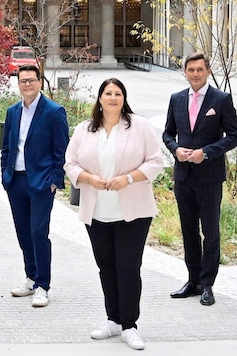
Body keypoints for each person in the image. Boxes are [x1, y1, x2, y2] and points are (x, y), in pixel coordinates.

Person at [64, 78, 163, 350]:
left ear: (123, 98)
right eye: (107, 93)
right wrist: (87, 178)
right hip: (97, 212)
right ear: (99, 98)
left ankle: (130, 325)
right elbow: (69, 163)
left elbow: (156, 161)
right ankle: (113, 319)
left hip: (133, 212)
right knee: (106, 267)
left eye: (117, 93)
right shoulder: (85, 129)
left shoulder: (139, 125)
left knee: (128, 268)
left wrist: (129, 178)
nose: (112, 98)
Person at [163, 52, 237, 306]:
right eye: (190, 70)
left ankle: (207, 285)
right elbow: (167, 134)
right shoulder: (176, 99)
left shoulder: (221, 99)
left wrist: (205, 153)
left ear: (207, 71)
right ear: (185, 72)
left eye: (199, 69)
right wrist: (176, 149)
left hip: (209, 177)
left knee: (211, 232)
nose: (195, 74)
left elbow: (233, 136)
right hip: (183, 177)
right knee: (188, 231)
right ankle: (193, 281)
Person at [0, 64, 69, 307]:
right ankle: (30, 278)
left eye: (31, 80)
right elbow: (7, 147)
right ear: (18, 84)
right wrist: (4, 176)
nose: (27, 84)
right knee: (23, 232)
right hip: (16, 181)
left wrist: (54, 181)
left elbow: (62, 151)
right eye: (23, 81)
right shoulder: (13, 112)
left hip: (41, 183)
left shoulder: (54, 111)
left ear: (40, 82)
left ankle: (43, 285)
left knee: (39, 232)